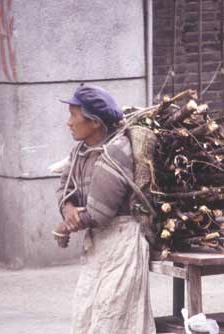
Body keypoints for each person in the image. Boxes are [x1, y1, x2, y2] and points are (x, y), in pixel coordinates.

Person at [53, 85, 156, 334]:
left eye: (74, 115)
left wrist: (66, 225)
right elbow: (64, 186)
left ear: (95, 122)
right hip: (99, 244)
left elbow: (99, 213)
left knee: (113, 318)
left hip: (121, 244)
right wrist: (68, 210)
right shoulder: (81, 150)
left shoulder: (116, 151)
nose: (69, 123)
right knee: (87, 313)